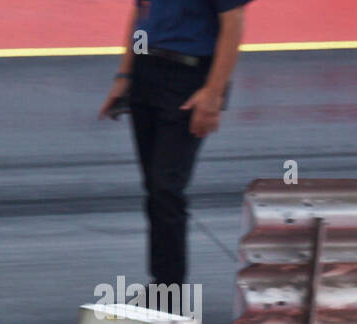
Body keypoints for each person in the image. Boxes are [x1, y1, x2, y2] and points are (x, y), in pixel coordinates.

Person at [100, 1, 250, 289]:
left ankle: (169, 290)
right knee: (155, 189)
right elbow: (141, 10)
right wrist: (125, 75)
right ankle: (162, 285)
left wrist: (213, 94)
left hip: (188, 80)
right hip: (146, 72)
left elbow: (233, 22)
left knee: (166, 186)